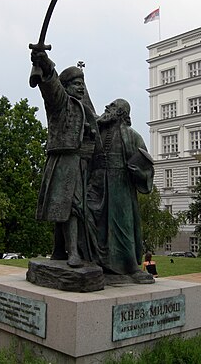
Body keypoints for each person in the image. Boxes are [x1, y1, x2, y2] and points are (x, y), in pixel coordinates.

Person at [30, 51, 101, 268]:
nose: (81, 87)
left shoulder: (81, 108)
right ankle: (73, 253)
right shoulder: (60, 102)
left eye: (82, 83)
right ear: (66, 86)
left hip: (78, 161)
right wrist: (45, 64)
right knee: (72, 205)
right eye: (76, 83)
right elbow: (51, 86)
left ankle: (59, 250)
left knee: (62, 206)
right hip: (64, 159)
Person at [87, 99, 154, 276]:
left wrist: (139, 173)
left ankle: (130, 266)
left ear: (121, 113)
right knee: (88, 217)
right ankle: (96, 260)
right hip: (97, 183)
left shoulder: (132, 136)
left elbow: (147, 167)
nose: (107, 107)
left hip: (120, 186)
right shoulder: (97, 131)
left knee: (122, 227)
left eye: (113, 106)